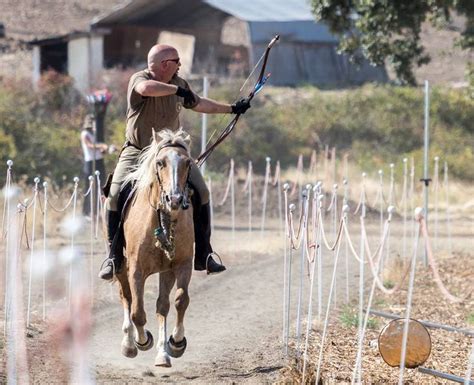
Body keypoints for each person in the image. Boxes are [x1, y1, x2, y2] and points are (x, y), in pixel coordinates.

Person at [98, 44, 251, 280]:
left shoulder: (180, 83)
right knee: (116, 194)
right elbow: (146, 88)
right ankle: (113, 256)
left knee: (203, 192)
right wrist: (177, 92)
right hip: (138, 151)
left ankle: (205, 254)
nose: (180, 65)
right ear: (164, 64)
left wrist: (232, 109)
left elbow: (199, 103)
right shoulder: (141, 78)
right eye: (177, 61)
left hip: (171, 155)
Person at [80, 114, 108, 218]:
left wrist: (103, 149)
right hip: (91, 163)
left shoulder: (93, 134)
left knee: (101, 186)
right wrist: (101, 146)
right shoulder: (85, 134)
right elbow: (90, 146)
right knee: (90, 187)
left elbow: (97, 149)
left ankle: (97, 211)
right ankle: (87, 212)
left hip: (98, 161)